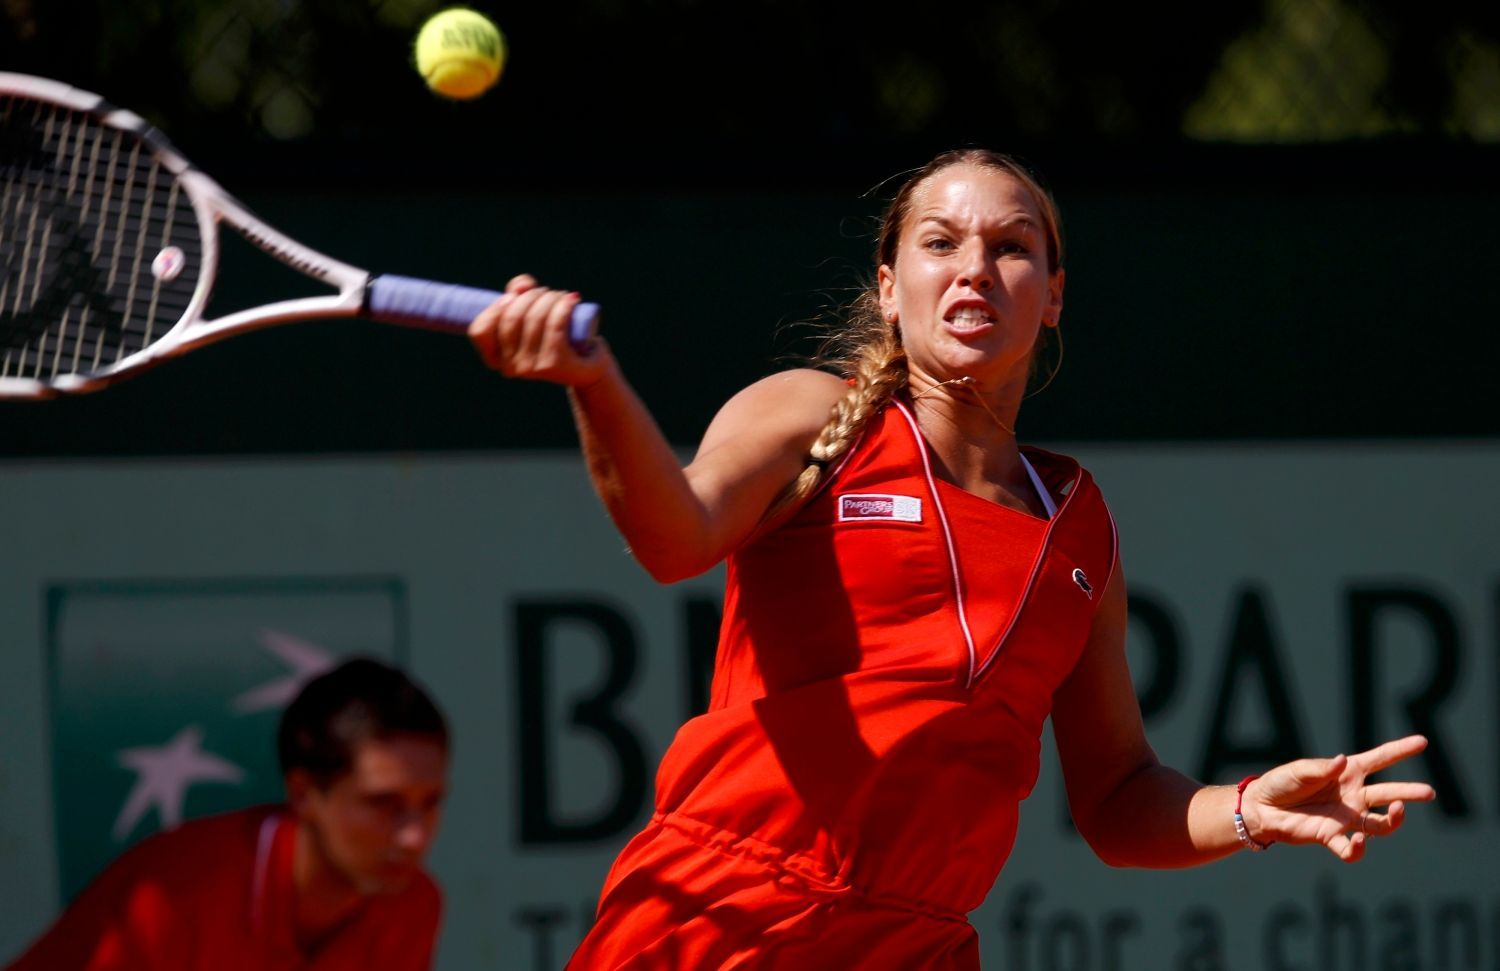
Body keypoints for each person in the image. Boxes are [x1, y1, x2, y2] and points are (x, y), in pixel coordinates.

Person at [468, 149, 1436, 969]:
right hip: (717, 911)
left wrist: (1246, 809)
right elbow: (673, 534)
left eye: (1012, 247)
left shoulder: (1079, 520)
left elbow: (1114, 795)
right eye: (940, 243)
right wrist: (594, 385)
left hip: (913, 944)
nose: (974, 268)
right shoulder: (811, 412)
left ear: (1053, 296)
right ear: (889, 288)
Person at [7, 657, 449, 971]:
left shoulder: (413, 903)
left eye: (429, 803)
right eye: (382, 804)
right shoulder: (177, 898)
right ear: (304, 795)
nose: (414, 836)